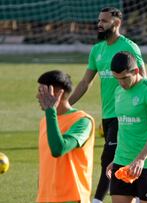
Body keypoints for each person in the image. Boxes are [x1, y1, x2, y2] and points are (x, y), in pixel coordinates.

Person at [68, 7, 147, 203]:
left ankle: (98, 200)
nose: (99, 24)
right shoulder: (97, 50)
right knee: (117, 158)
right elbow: (86, 82)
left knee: (109, 159)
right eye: (99, 20)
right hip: (109, 115)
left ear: (117, 23)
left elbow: (144, 79)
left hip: (127, 114)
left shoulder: (130, 47)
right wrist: (66, 105)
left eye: (103, 20)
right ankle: (135, 195)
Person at [106, 51, 147, 203]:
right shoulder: (118, 91)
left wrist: (140, 159)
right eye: (117, 79)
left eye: (125, 78)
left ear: (136, 71)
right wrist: (117, 158)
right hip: (122, 161)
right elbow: (124, 127)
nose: (121, 83)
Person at [36, 70, 95, 203]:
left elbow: (58, 149)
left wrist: (51, 111)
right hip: (46, 198)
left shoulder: (83, 121)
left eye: (41, 91)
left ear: (56, 92)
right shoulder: (45, 121)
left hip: (71, 197)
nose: (37, 96)